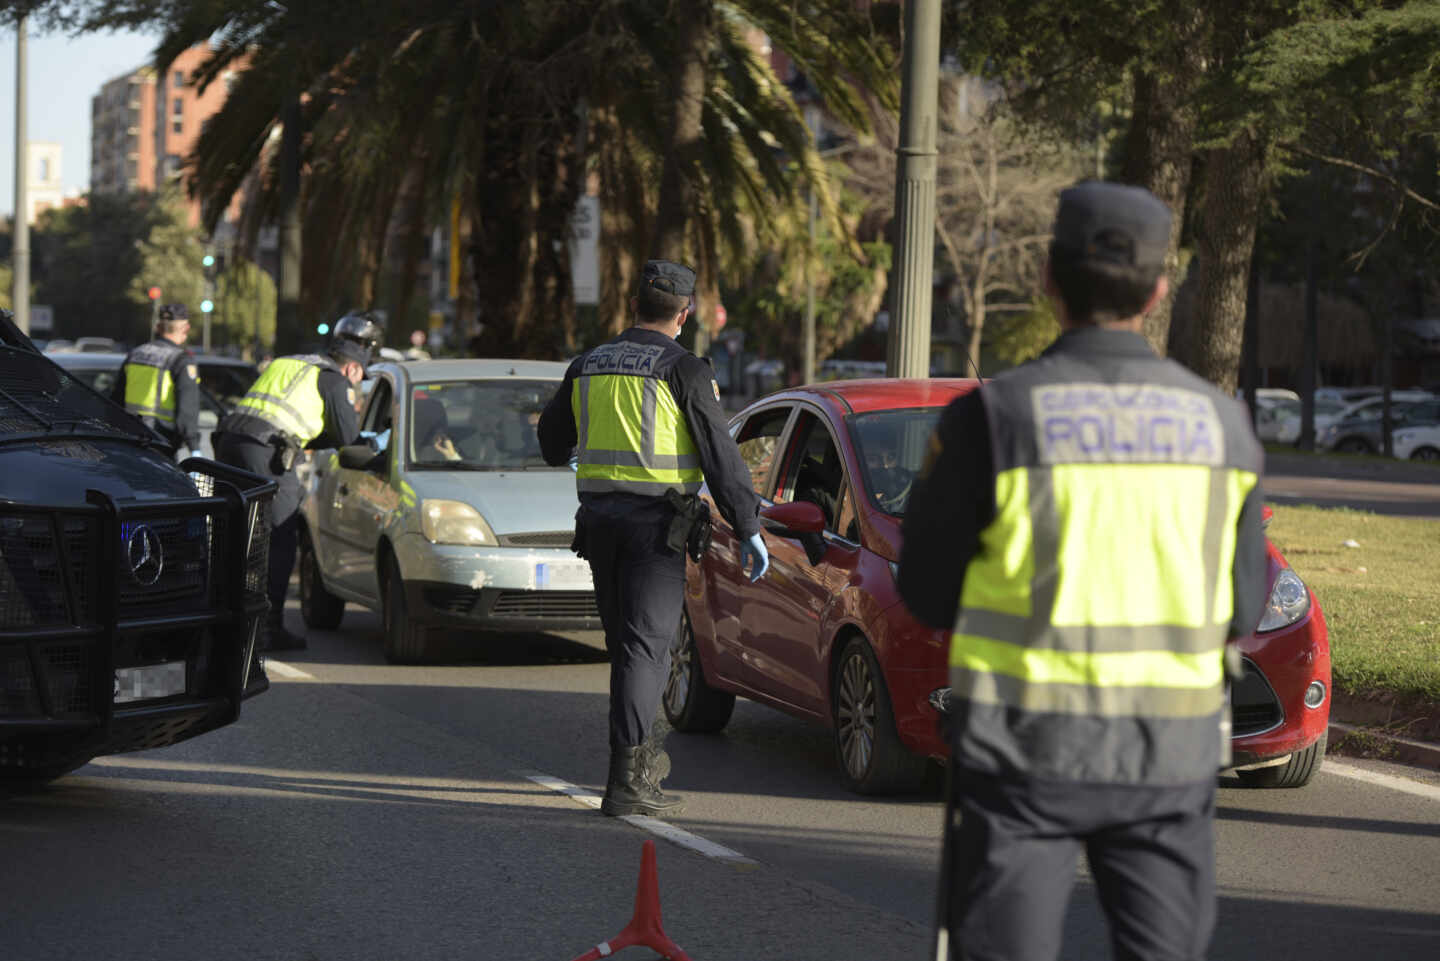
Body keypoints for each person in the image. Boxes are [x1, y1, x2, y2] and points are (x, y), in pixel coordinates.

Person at [898, 182, 1266, 961]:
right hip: (1168, 759)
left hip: (1019, 756)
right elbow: (1243, 607)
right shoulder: (1221, 425)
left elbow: (924, 589)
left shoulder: (990, 418)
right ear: (1161, 290)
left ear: (1047, 278)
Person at [537, 260, 769, 818]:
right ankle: (629, 781)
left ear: (633, 305)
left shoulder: (588, 364)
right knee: (647, 651)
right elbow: (720, 454)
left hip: (598, 526)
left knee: (626, 649)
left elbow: (550, 443)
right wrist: (749, 527)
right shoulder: (684, 370)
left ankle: (631, 770)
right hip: (656, 531)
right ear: (684, 314)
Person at [212, 310, 383, 651]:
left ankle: (222, 620)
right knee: (280, 536)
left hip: (229, 444)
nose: (357, 383)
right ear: (353, 367)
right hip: (266, 452)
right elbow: (347, 436)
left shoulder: (291, 363)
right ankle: (268, 628)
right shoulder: (335, 379)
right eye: (360, 377)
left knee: (233, 536)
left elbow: (286, 417)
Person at [112, 303, 201, 458]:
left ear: (158, 327)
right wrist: (194, 448)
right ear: (186, 328)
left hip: (129, 440)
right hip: (161, 444)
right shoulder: (181, 360)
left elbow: (116, 399)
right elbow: (187, 410)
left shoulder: (136, 354)